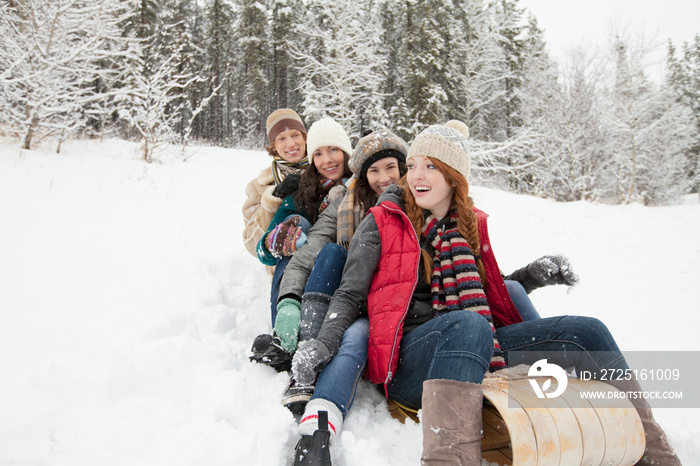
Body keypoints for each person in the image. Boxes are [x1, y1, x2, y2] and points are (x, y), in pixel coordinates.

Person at [290, 121, 681, 465]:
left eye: (431, 166)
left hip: (474, 344)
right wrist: (323, 344)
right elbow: (348, 294)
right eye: (413, 166)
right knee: (467, 326)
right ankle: (449, 459)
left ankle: (653, 451)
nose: (417, 176)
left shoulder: (467, 227)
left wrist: (529, 275)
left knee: (587, 331)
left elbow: (489, 295)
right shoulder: (382, 222)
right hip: (408, 362)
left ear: (454, 175)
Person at [251, 129, 410, 411]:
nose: (383, 178)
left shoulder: (415, 200)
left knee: (355, 336)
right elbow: (302, 252)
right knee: (326, 249)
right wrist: (288, 300)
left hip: (385, 296)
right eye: (374, 170)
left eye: (390, 168)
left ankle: (316, 375)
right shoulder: (337, 200)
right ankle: (297, 344)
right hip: (342, 289)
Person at [255, 117, 353, 324]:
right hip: (306, 275)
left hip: (350, 276)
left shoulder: (363, 186)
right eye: (318, 153)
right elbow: (264, 253)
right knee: (295, 222)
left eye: (333, 150)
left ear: (346, 152)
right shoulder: (302, 194)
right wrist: (270, 242)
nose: (327, 160)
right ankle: (282, 327)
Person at [242, 108, 308, 262]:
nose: (291, 143)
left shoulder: (325, 169)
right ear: (273, 146)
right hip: (285, 267)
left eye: (295, 135)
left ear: (305, 138)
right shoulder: (258, 187)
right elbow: (252, 243)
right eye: (281, 139)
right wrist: (275, 198)